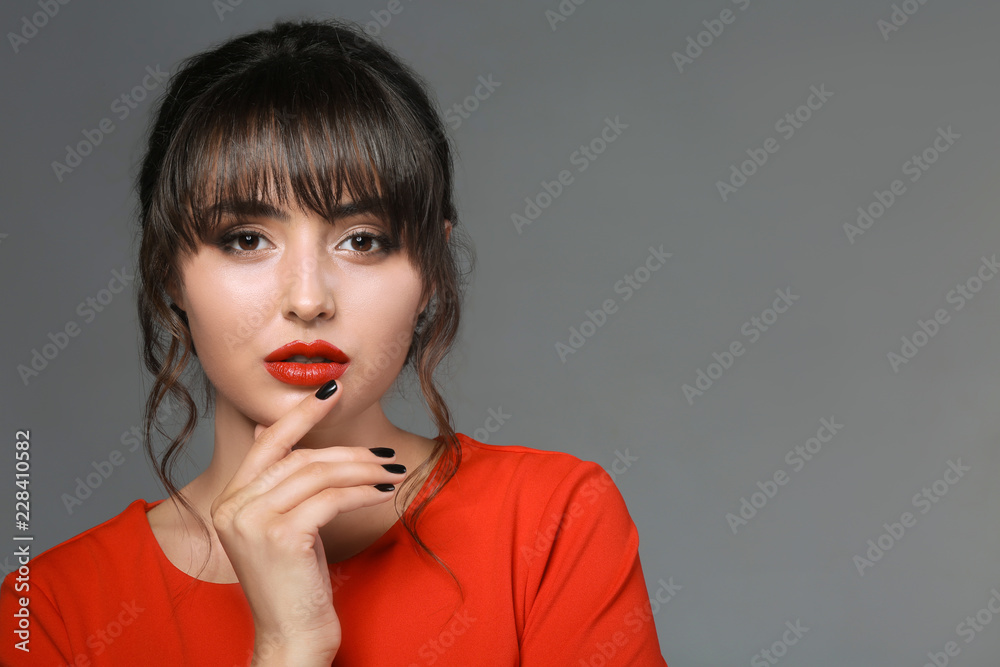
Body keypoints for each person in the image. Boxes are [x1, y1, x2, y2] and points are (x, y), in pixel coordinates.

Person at [0, 17, 668, 666]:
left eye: (362, 240)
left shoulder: (551, 522)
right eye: (246, 239)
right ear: (169, 270)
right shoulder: (50, 611)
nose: (309, 298)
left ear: (432, 269)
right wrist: (288, 648)